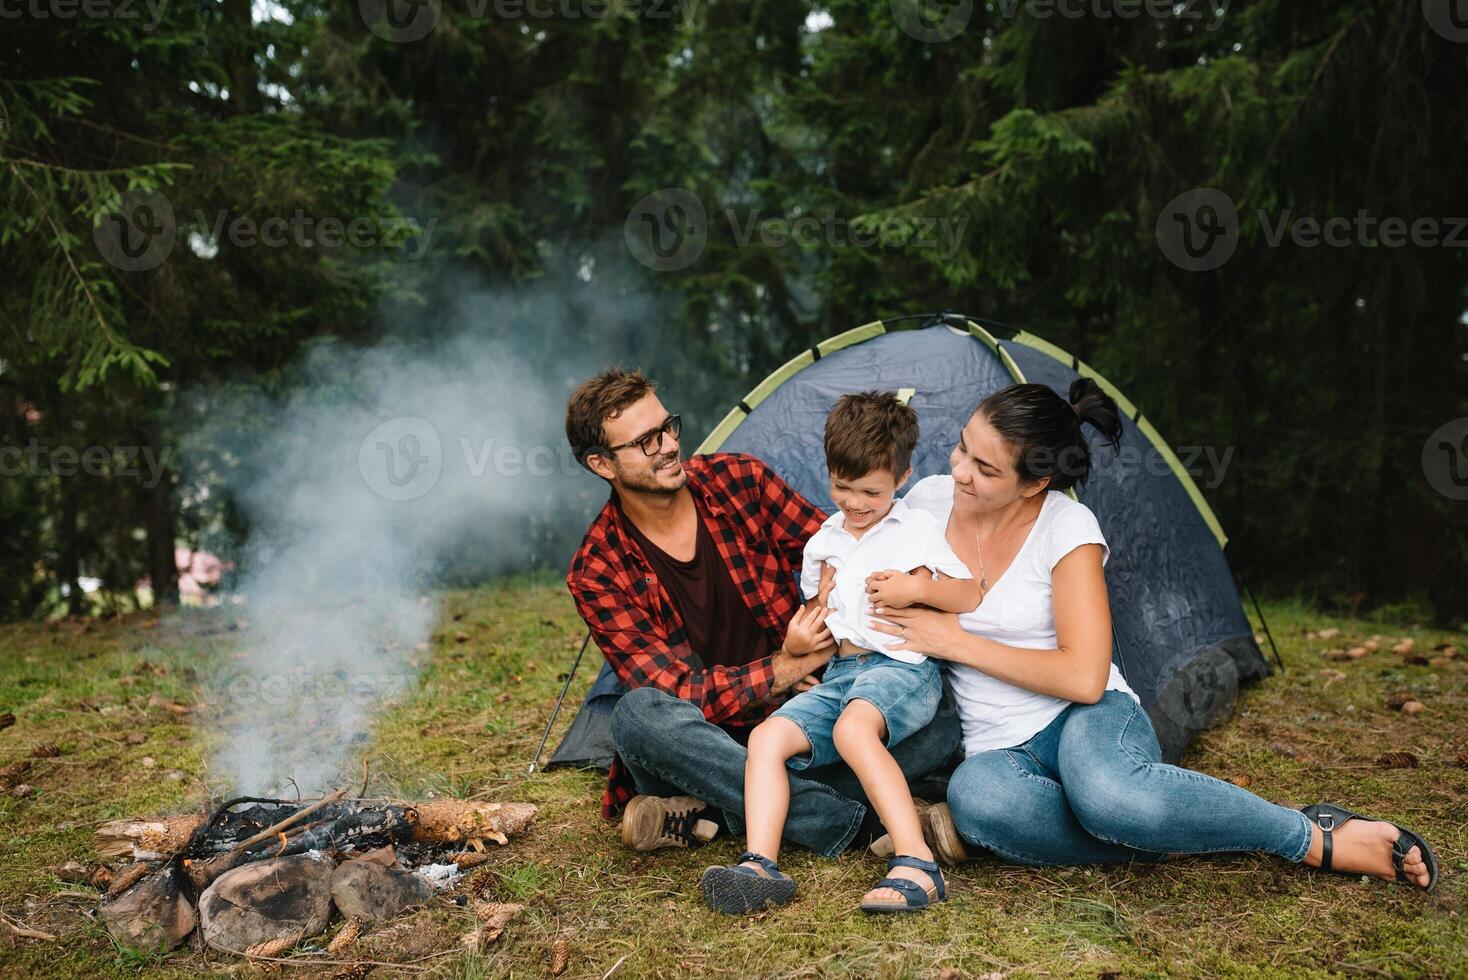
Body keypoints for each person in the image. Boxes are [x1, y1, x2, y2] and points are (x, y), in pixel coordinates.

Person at [866, 380, 1438, 892]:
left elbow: (1084, 678)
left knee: (1110, 797)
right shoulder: (926, 502)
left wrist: (955, 641)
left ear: (1036, 482)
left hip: (1084, 716)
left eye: (986, 469)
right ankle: (1184, 828)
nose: (960, 469)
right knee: (978, 801)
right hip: (998, 744)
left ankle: (1311, 836)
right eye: (964, 445)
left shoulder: (1067, 530)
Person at [563, 369, 962, 860]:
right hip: (707, 747)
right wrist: (782, 669)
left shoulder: (739, 481)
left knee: (938, 723)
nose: (669, 445)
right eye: (646, 441)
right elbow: (677, 695)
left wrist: (827, 620)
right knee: (638, 718)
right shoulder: (598, 569)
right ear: (602, 464)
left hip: (807, 722)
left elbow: (847, 544)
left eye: (668, 427)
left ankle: (710, 814)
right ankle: (856, 823)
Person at [699, 392, 979, 915]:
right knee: (766, 737)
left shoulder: (915, 529)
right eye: (841, 486)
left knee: (854, 731)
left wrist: (914, 590)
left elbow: (967, 593)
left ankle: (918, 862)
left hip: (900, 668)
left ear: (902, 478)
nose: (853, 502)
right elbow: (819, 604)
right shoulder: (825, 538)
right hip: (840, 673)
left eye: (869, 491)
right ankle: (760, 863)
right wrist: (807, 629)